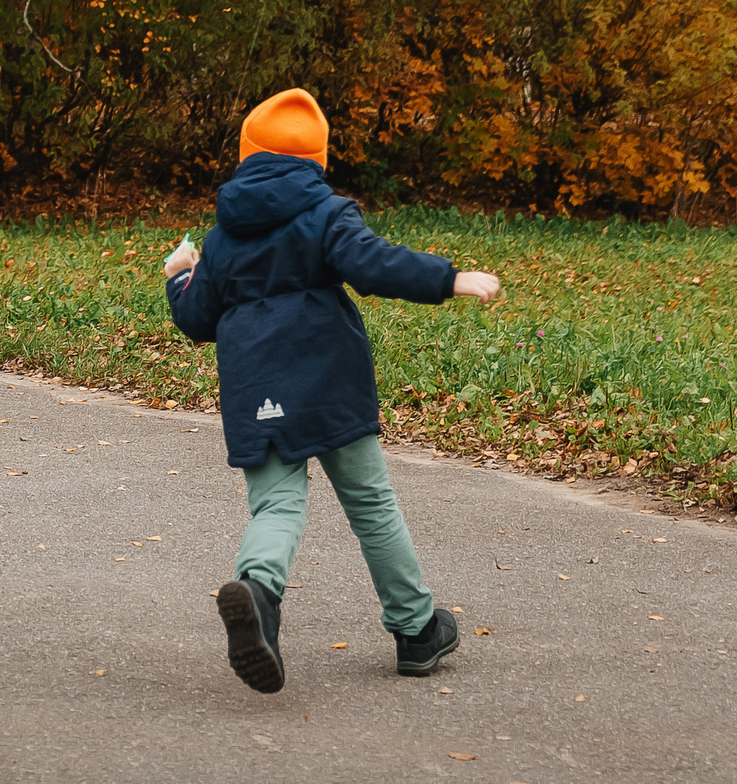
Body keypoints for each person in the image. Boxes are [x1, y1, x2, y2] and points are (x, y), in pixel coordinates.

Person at [164, 87, 503, 693]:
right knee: (371, 505)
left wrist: (180, 278)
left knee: (276, 505)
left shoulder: (221, 238)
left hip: (255, 387)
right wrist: (448, 278)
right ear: (315, 159)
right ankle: (416, 629)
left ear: (248, 157)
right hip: (329, 382)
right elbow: (373, 263)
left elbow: (196, 321)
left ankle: (260, 595)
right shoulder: (327, 212)